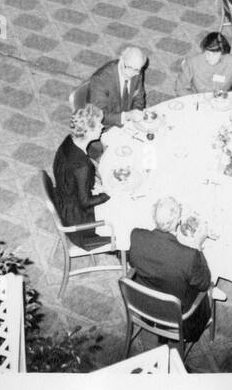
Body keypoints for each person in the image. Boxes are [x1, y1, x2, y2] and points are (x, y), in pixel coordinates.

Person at [128, 197, 213, 341]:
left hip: (144, 306)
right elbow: (205, 283)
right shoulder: (189, 256)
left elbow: (132, 261)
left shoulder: (136, 236)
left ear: (153, 217)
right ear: (178, 221)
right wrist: (198, 245)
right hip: (180, 317)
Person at [52, 104, 111, 248]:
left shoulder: (69, 140)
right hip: (78, 219)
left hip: (64, 198)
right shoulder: (82, 166)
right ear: (88, 131)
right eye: (98, 125)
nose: (102, 127)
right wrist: (108, 194)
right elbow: (85, 202)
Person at [87, 46, 147, 130]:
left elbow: (138, 97)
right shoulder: (100, 80)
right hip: (106, 126)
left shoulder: (137, 71)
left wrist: (135, 114)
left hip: (129, 122)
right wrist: (126, 116)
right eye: (129, 67)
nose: (131, 73)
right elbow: (99, 115)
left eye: (136, 70)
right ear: (121, 59)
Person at [175, 31, 232, 95]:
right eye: (207, 53)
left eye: (215, 54)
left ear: (223, 52)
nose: (210, 58)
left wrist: (230, 97)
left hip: (222, 100)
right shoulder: (192, 63)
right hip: (198, 99)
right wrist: (195, 100)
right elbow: (180, 88)